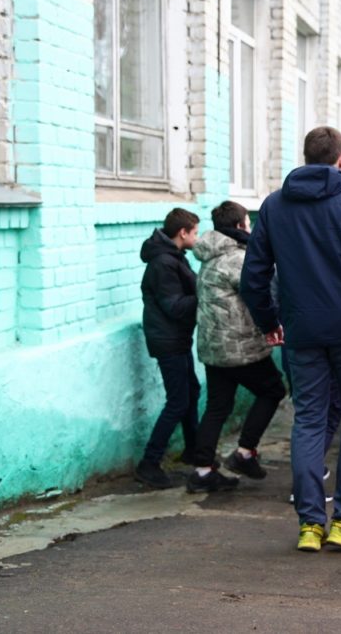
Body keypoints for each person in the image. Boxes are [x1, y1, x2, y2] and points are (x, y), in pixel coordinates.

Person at [241, 126, 341, 552]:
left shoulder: (275, 206)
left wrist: (268, 321)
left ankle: (310, 523)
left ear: (306, 157)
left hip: (302, 331)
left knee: (309, 420)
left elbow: (253, 276)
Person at [188, 201, 288, 494]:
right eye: (248, 222)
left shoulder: (209, 255)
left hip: (214, 347)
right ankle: (244, 453)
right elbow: (258, 293)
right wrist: (272, 324)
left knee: (218, 406)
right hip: (240, 347)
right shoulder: (237, 258)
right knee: (273, 391)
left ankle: (202, 470)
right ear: (240, 226)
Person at [135, 208, 201, 489]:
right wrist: (204, 295)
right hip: (168, 340)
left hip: (176, 338)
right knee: (178, 400)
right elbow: (174, 306)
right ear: (182, 233)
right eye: (195, 232)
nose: (197, 238)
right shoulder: (163, 263)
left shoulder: (174, 258)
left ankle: (194, 451)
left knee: (192, 391)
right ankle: (149, 463)